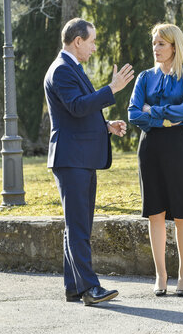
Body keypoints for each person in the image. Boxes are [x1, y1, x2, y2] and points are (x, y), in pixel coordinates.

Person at [44, 18, 134, 306]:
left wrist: (105, 126)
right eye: (92, 41)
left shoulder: (70, 68)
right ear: (78, 41)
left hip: (78, 156)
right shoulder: (61, 70)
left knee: (78, 224)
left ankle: (74, 287)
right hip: (72, 159)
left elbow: (78, 113)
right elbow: (78, 106)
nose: (95, 47)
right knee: (79, 226)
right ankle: (90, 289)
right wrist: (112, 89)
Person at [128, 23, 183, 297]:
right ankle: (161, 275)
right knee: (154, 212)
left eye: (161, 44)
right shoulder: (146, 77)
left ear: (174, 46)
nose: (155, 49)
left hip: (177, 145)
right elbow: (134, 113)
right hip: (150, 147)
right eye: (154, 43)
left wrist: (153, 111)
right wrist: (164, 118)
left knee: (181, 212)